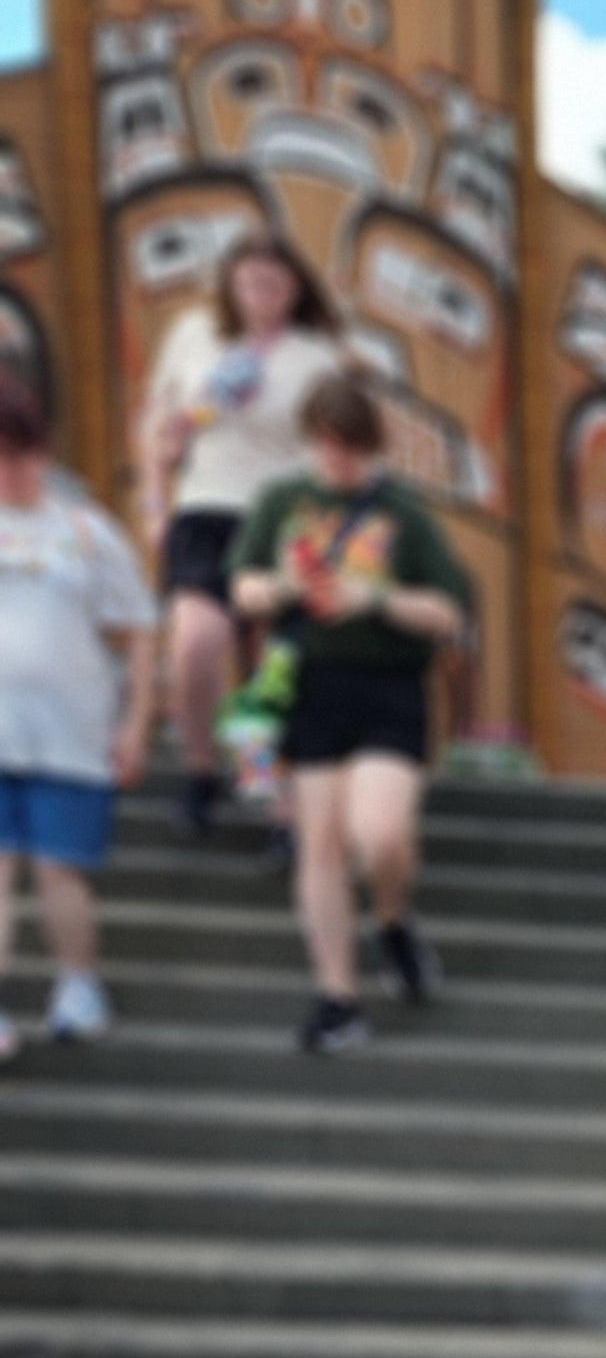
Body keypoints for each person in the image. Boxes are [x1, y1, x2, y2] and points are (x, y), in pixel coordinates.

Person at [228, 375, 471, 1055]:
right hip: (307, 683)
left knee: (381, 833)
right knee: (322, 845)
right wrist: (286, 587)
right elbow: (243, 587)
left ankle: (393, 919)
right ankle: (337, 996)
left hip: (389, 684)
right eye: (328, 446)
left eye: (351, 447)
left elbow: (449, 610)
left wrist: (376, 599)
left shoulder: (402, 511)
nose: (337, 461)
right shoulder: (282, 500)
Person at [140, 233, 344, 834]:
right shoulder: (195, 334)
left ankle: (261, 783)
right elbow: (157, 426)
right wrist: (156, 505)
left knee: (270, 667)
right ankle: (202, 767)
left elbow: (330, 448)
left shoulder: (315, 356)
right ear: (231, 281)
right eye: (251, 278)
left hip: (280, 516)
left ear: (296, 288)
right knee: (196, 644)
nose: (262, 291)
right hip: (205, 507)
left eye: (276, 281)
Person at [0, 373, 158, 1057]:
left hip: (71, 732)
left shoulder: (88, 532)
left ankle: (78, 984)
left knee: (61, 868)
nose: (11, 469)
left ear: (43, 453)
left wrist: (137, 723)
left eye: (21, 452)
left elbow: (142, 626)